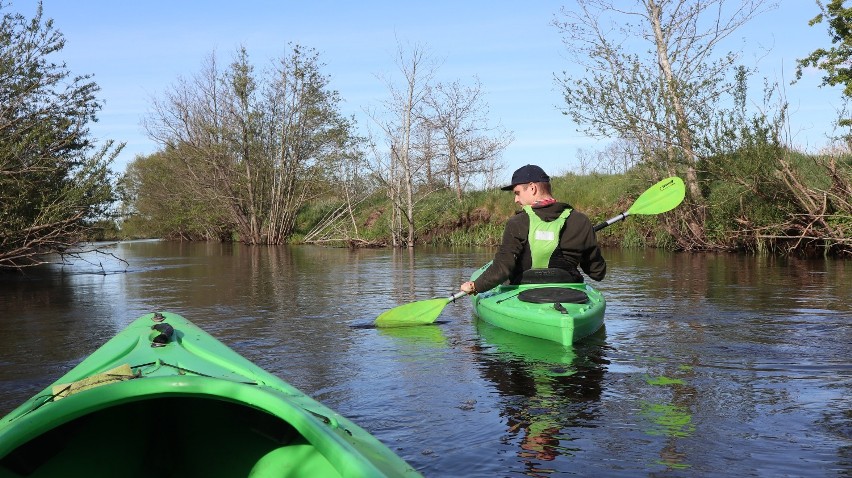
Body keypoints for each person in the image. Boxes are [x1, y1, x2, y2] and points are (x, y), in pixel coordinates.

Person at [460, 164, 606, 295]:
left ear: (532, 188)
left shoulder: (518, 222)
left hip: (524, 293)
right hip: (570, 294)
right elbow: (597, 273)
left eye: (517, 193)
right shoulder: (580, 220)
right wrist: (586, 237)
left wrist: (475, 286)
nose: (516, 200)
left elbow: (502, 268)